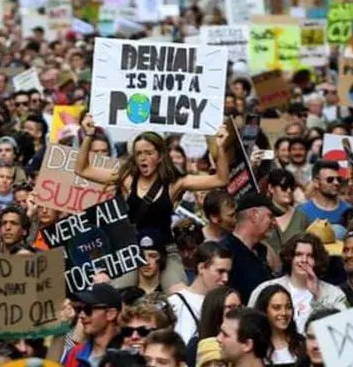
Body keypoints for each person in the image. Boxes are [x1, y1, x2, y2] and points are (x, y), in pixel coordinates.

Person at [76, 115, 229, 291]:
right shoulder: (126, 179)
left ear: (160, 157)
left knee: (179, 296)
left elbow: (221, 179)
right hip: (132, 251)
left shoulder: (175, 184)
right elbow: (82, 169)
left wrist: (221, 147)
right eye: (139, 153)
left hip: (165, 250)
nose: (143, 158)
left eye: (149, 153)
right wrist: (88, 135)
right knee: (115, 292)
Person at [248, 233, 347, 331]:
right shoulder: (265, 288)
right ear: (290, 258)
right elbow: (251, 326)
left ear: (317, 260)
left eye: (310, 256)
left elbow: (340, 329)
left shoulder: (334, 293)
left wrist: (317, 295)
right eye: (298, 254)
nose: (304, 260)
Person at [220, 193, 282, 302]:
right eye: (270, 216)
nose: (274, 223)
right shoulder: (225, 251)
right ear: (254, 215)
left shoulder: (263, 250)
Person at [167, 242, 232, 343]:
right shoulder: (176, 303)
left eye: (228, 272)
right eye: (220, 271)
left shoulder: (229, 304)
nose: (225, 278)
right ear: (201, 268)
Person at [62, 284, 123, 367]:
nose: (81, 315)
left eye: (88, 309)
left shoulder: (127, 355)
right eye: (79, 309)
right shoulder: (73, 354)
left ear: (111, 314)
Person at [288, 160, 352, 235]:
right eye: (330, 180)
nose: (336, 183)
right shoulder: (302, 212)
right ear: (316, 183)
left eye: (338, 179)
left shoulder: (348, 210)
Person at [252, 285, 305, 366]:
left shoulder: (301, 344)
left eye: (288, 307)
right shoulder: (254, 345)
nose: (284, 313)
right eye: (276, 307)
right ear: (264, 310)